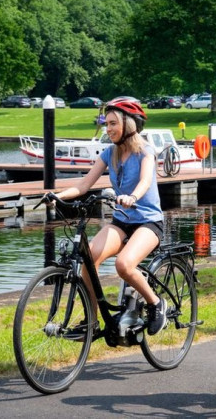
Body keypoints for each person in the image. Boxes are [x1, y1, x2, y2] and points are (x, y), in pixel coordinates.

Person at [47, 98, 167, 336]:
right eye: (106, 123)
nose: (108, 129)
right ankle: (91, 321)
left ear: (129, 124)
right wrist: (56, 196)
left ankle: (155, 304)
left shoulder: (145, 152)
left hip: (148, 222)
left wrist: (132, 197)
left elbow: (144, 181)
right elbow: (83, 185)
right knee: (87, 261)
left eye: (113, 123)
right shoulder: (109, 153)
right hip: (122, 221)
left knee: (124, 264)